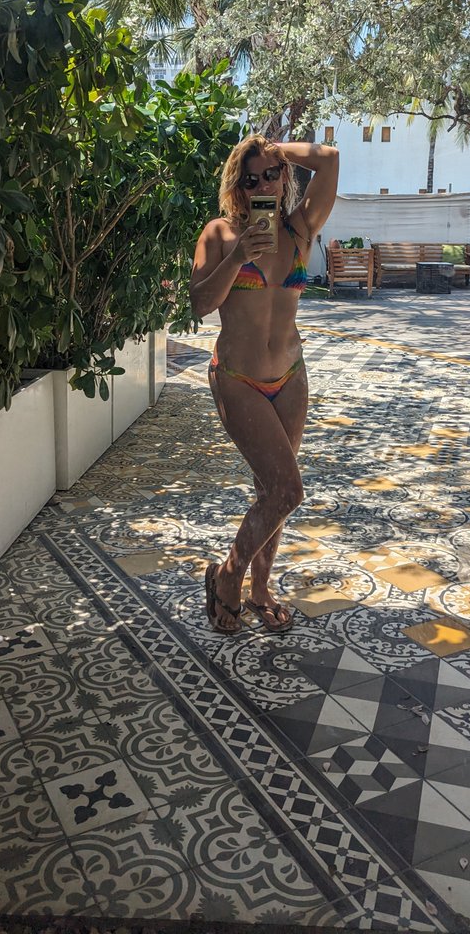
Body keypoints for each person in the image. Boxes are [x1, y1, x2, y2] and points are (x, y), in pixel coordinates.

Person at [189, 133, 339, 633]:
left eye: (271, 175)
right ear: (237, 186)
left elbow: (330, 159)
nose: (262, 185)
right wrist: (236, 259)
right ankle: (228, 577)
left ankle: (260, 589)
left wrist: (275, 148)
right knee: (287, 489)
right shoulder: (220, 233)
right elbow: (199, 304)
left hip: (290, 377)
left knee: (270, 489)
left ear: (283, 176)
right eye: (250, 179)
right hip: (238, 379)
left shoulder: (300, 229)